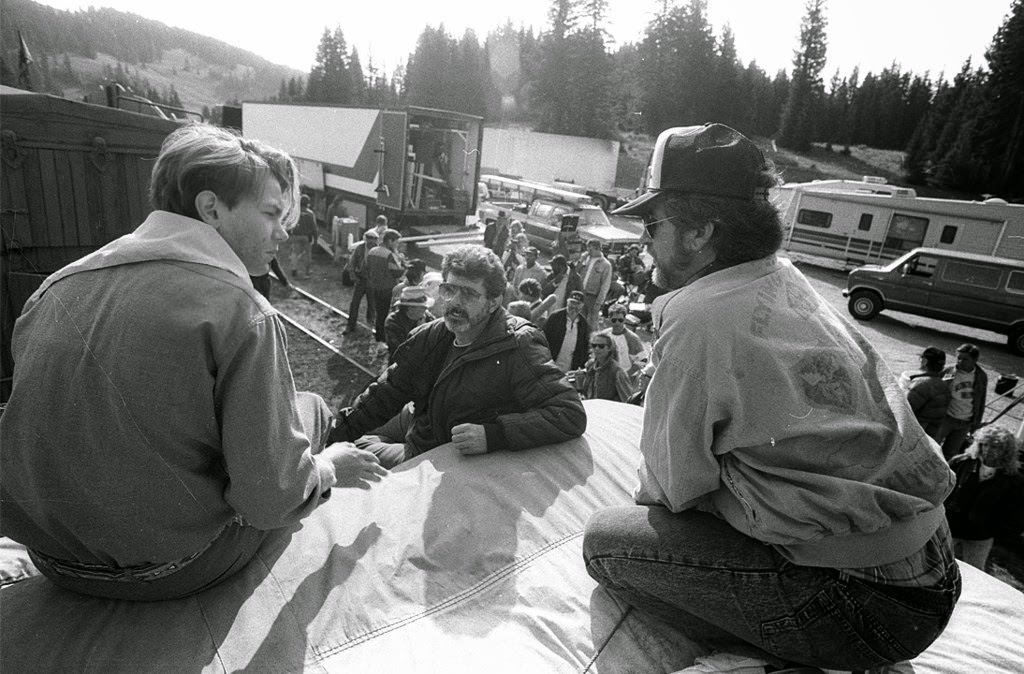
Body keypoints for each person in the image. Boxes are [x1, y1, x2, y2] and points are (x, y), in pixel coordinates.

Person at [582, 124, 960, 672]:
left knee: (606, 544)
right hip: (935, 570)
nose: (645, 239)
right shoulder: (784, 276)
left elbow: (672, 493)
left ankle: (790, 660)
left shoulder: (697, 319)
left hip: (867, 611)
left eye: (651, 222)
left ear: (699, 233)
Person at [0, 123, 386, 601]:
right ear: (211, 209)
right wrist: (327, 468)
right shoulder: (241, 312)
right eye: (271, 213)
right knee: (312, 409)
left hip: (52, 559)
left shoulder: (54, 287)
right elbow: (268, 502)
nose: (283, 232)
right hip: (171, 568)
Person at [328, 244, 587, 468]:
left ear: (494, 301)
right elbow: (385, 394)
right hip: (422, 422)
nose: (454, 303)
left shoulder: (517, 345)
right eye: (450, 290)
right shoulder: (429, 336)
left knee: (358, 449)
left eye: (469, 294)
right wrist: (330, 439)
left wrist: (493, 434)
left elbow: (568, 413)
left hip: (431, 454)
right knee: (344, 433)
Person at [945, 426, 1024, 572]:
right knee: (938, 565)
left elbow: (1015, 515)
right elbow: (942, 490)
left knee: (974, 573)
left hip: (979, 537)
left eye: (995, 446)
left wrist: (993, 531)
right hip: (950, 528)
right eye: (984, 444)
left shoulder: (1014, 480)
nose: (988, 450)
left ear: (1006, 451)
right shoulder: (961, 462)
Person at [935, 343, 989, 460]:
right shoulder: (948, 371)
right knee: (933, 447)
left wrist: (976, 424)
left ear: (974, 360)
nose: (960, 361)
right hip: (946, 418)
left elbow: (981, 401)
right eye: (958, 358)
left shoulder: (981, 376)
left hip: (965, 422)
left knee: (950, 454)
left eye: (965, 359)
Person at [365, 228, 405, 357]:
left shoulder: (372, 251)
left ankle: (379, 337)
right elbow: (397, 272)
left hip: (374, 286)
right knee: (386, 314)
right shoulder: (388, 254)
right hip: (387, 288)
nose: (397, 245)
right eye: (396, 243)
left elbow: (367, 267)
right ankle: (382, 340)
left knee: (379, 312)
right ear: (390, 240)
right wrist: (402, 262)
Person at [900, 346, 951, 440]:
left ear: (925, 361)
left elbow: (904, 410)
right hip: (928, 437)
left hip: (912, 434)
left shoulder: (921, 384)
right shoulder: (944, 386)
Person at [343, 228, 380, 335]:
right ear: (366, 239)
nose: (371, 241)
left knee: (372, 305)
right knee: (354, 303)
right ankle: (350, 325)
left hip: (372, 281)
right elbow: (351, 263)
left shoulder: (378, 250)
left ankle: (370, 325)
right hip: (361, 280)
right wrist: (353, 276)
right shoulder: (359, 248)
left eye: (373, 239)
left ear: (376, 240)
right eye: (369, 238)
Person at [577, 332, 633, 402]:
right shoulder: (590, 365)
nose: (597, 349)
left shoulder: (617, 371)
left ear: (609, 348)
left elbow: (628, 399)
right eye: (594, 345)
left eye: (601, 346)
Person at [384, 285, 434, 363]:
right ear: (410, 309)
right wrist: (420, 331)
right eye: (423, 307)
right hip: (401, 365)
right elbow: (402, 351)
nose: (426, 309)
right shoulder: (393, 322)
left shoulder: (427, 316)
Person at [543, 289, 590, 373]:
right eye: (572, 302)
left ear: (582, 306)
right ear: (567, 302)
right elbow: (543, 338)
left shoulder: (583, 324)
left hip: (570, 370)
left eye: (578, 304)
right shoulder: (555, 317)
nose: (574, 307)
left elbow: (584, 348)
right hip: (550, 365)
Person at [596, 303, 646, 377]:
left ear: (625, 319)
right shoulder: (604, 335)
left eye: (620, 320)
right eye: (614, 320)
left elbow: (642, 360)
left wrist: (625, 375)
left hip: (624, 378)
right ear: (609, 319)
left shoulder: (632, 338)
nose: (617, 323)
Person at [578, 239, 613, 329]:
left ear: (597, 249)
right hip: (581, 293)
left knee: (591, 323)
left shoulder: (606, 265)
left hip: (592, 297)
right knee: (579, 320)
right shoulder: (585, 259)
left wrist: (599, 302)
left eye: (590, 249)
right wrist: (581, 260)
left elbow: (605, 285)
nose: (588, 251)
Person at [288, 193, 318, 278]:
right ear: (308, 203)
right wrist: (315, 240)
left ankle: (294, 269)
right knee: (307, 254)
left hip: (296, 236)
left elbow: (290, 224)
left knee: (294, 253)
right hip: (306, 237)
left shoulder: (295, 212)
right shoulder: (310, 213)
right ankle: (307, 272)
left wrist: (290, 234)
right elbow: (314, 228)